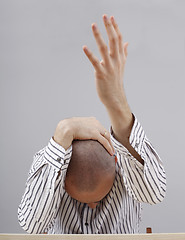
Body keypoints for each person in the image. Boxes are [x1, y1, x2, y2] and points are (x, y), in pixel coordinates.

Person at [18, 14, 166, 234]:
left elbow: (154, 194)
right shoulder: (51, 161)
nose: (92, 206)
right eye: (82, 199)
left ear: (115, 162)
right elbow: (31, 226)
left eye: (98, 197)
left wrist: (120, 109)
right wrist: (63, 132)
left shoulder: (124, 164)